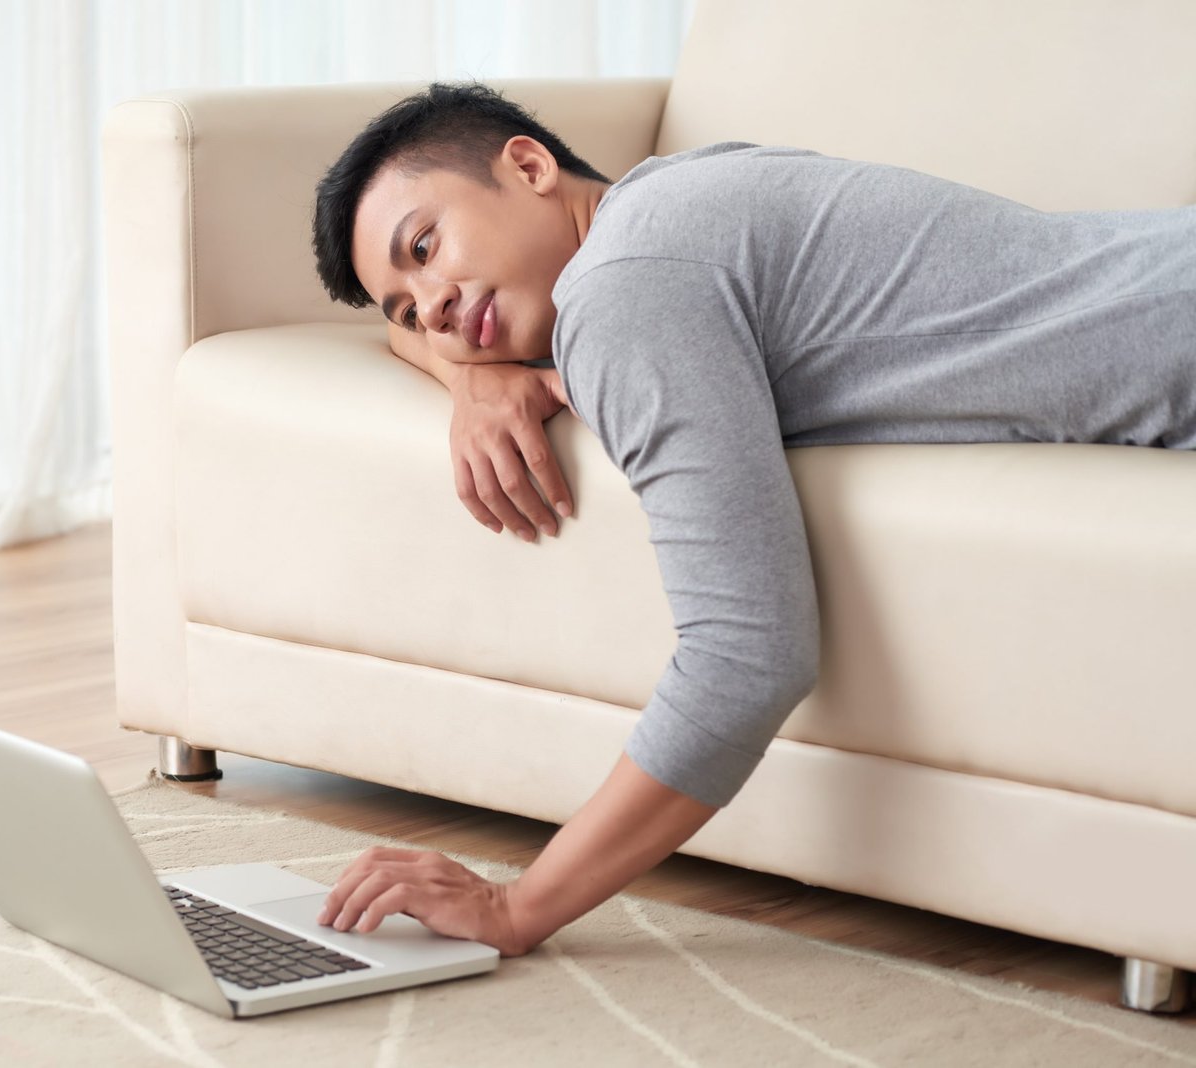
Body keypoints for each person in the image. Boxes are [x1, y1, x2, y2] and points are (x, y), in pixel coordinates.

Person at [305, 82, 1196, 958]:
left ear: (531, 165)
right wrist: (470, 372)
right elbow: (430, 323)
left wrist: (515, 906)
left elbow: (749, 652)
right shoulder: (675, 194)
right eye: (412, 307)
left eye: (426, 245)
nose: (437, 310)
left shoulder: (625, 292)